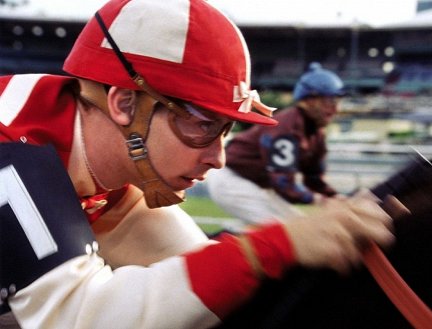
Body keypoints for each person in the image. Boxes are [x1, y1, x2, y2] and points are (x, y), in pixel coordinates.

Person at [0, 0, 398, 328]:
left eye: (225, 130)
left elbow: (196, 275)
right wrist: (275, 245)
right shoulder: (11, 142)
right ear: (123, 104)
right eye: (203, 126)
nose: (219, 157)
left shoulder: (109, 170)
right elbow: (84, 319)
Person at [206, 62, 345, 225]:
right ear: (308, 100)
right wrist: (321, 200)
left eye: (337, 100)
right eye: (329, 100)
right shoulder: (287, 128)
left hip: (258, 183)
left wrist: (338, 198)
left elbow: (313, 179)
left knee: (297, 226)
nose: (335, 108)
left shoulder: (316, 133)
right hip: (232, 178)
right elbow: (284, 185)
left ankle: (233, 236)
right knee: (288, 233)